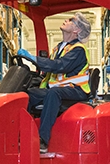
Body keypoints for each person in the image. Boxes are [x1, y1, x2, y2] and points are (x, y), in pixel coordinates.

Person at [17, 12, 93, 152]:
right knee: (26, 94)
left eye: (71, 20)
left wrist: (34, 58)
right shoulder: (59, 47)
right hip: (61, 88)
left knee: (53, 94)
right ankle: (20, 136)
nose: (66, 19)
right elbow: (50, 71)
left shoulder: (78, 50)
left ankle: (43, 140)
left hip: (77, 90)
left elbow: (60, 66)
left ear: (77, 30)